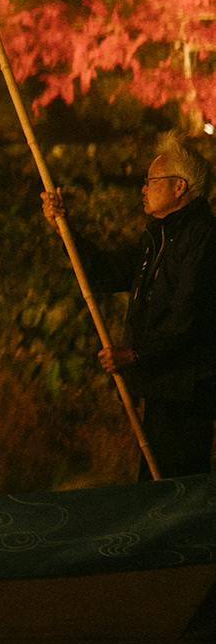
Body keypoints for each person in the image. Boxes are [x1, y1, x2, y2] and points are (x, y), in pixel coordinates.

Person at [43, 133, 216, 479]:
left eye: (151, 181)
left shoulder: (204, 238)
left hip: (188, 390)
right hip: (161, 387)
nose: (144, 188)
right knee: (155, 484)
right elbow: (104, 272)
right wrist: (66, 230)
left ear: (179, 187)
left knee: (176, 489)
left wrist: (136, 354)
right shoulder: (157, 238)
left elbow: (189, 316)